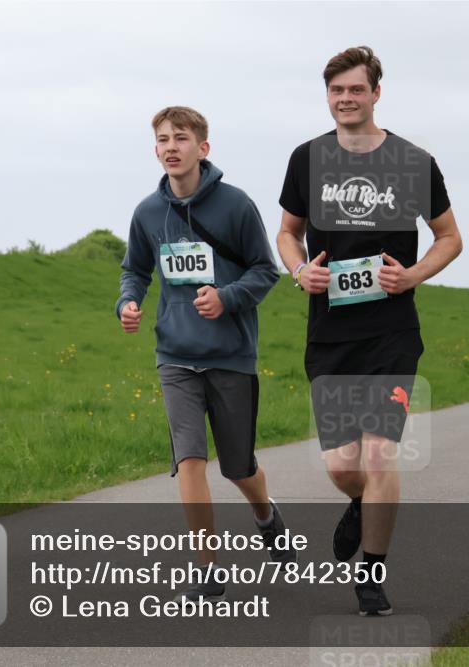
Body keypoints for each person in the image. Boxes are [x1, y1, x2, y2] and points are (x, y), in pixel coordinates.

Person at [276, 46, 463, 616]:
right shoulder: (306, 159)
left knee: (381, 457)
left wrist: (411, 276)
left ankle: (372, 571)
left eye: (356, 90)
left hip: (391, 333)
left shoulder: (412, 161)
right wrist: (298, 269)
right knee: (343, 466)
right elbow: (287, 232)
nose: (345, 100)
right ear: (327, 96)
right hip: (330, 334)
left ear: (376, 93)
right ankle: (360, 505)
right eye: (336, 92)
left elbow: (450, 237)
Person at [116, 107, 290, 603]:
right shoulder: (148, 212)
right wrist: (127, 302)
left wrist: (227, 297)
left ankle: (265, 514)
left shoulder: (235, 206)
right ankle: (207, 568)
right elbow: (135, 270)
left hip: (231, 354)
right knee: (190, 458)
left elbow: (264, 270)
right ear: (156, 151)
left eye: (182, 138)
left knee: (238, 467)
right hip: (175, 354)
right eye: (163, 140)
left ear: (203, 148)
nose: (171, 147)